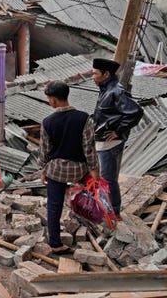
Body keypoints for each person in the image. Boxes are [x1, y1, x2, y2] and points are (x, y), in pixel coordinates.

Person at [40, 81, 99, 255]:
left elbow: (44, 151)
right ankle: (93, 228)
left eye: (49, 98)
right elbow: (89, 147)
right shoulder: (84, 118)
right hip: (79, 170)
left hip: (56, 170)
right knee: (86, 199)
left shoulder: (47, 122)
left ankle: (56, 243)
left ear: (53, 100)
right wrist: (95, 172)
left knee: (54, 205)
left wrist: (43, 169)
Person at [92, 58, 143, 219]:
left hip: (110, 142)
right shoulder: (105, 88)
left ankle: (114, 211)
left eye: (95, 74)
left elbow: (135, 112)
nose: (93, 77)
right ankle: (107, 208)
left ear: (106, 74)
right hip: (102, 140)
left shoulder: (116, 91)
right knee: (104, 176)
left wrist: (118, 131)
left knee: (108, 178)